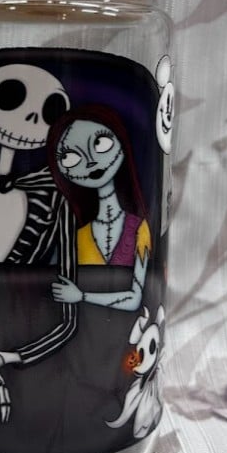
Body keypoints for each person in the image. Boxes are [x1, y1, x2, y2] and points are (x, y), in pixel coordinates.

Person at [47, 103, 151, 311]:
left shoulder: (140, 229)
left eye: (101, 143)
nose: (90, 162)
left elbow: (135, 300)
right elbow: (49, 288)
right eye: (70, 157)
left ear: (121, 142)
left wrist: (81, 296)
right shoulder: (75, 236)